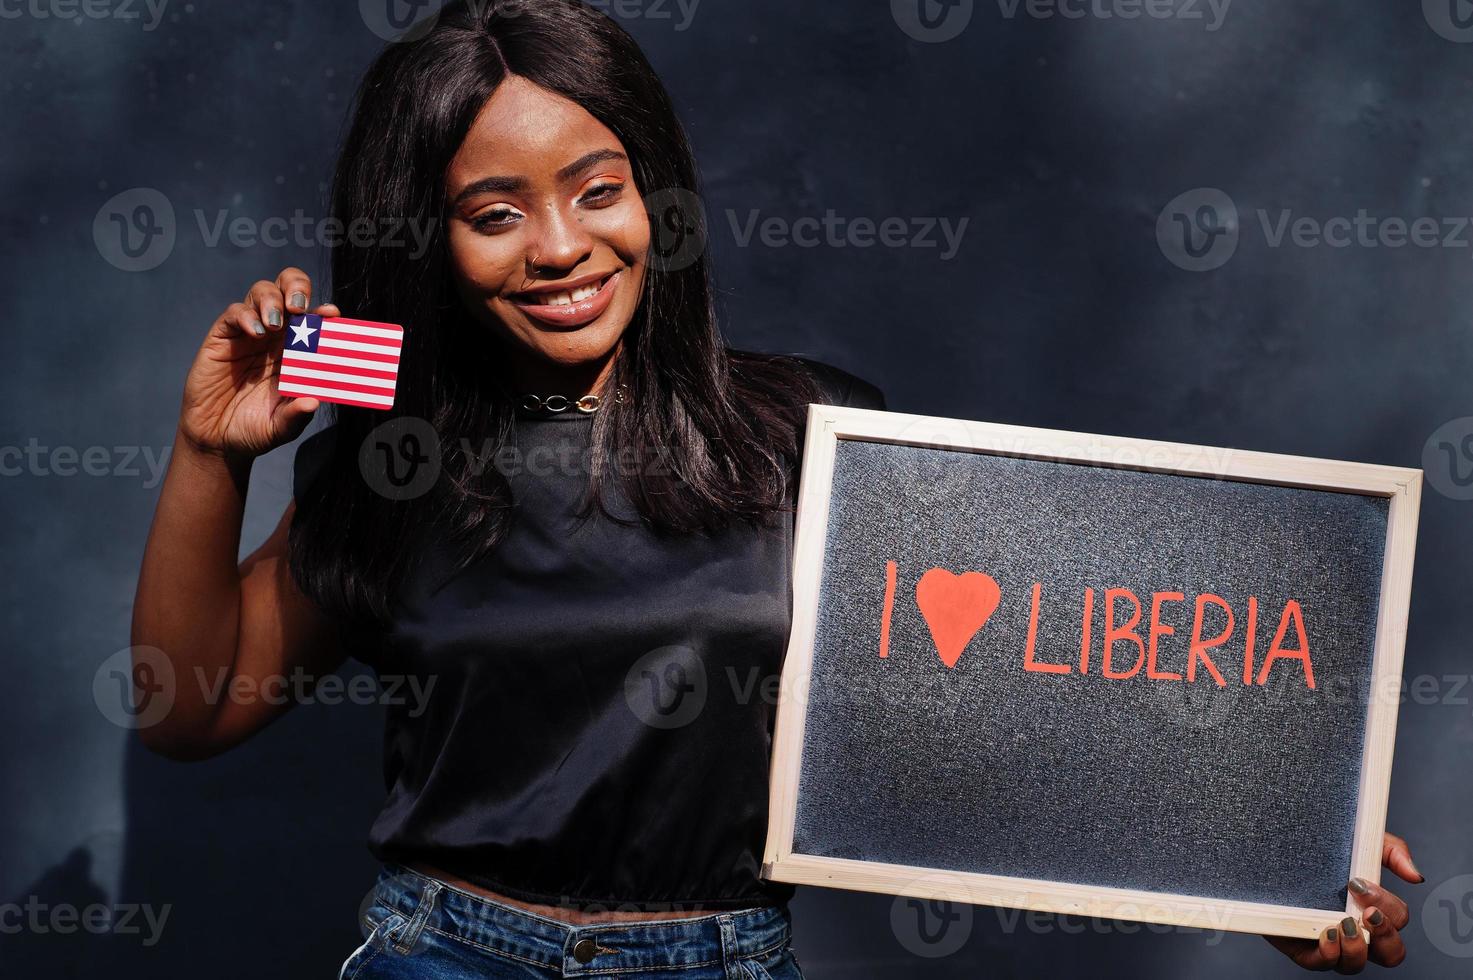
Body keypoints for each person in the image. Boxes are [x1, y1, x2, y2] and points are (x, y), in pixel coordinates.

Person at [128, 1, 1420, 976]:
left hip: (717, 956)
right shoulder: (389, 451)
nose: (563, 246)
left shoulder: (808, 431)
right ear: (428, 235)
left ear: (655, 199)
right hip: (443, 953)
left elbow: (1039, 683)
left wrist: (1270, 854)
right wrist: (211, 457)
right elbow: (191, 713)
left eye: (597, 191)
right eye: (494, 211)